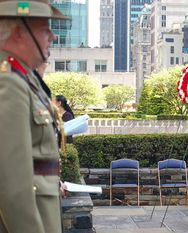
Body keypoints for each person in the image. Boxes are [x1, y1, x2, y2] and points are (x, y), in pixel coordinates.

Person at [0, 1, 68, 233]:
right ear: (19, 32)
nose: (53, 37)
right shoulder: (8, 82)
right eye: (45, 29)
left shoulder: (23, 78)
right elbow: (12, 184)